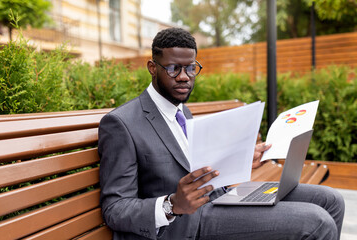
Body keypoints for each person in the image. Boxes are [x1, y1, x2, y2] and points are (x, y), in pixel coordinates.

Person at [98, 27, 344, 240]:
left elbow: (198, 167)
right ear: (152, 67)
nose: (184, 77)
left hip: (221, 197)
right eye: (173, 68)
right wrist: (172, 205)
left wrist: (241, 158)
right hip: (185, 224)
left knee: (331, 200)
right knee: (316, 222)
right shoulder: (121, 124)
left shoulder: (182, 112)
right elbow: (115, 209)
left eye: (191, 68)